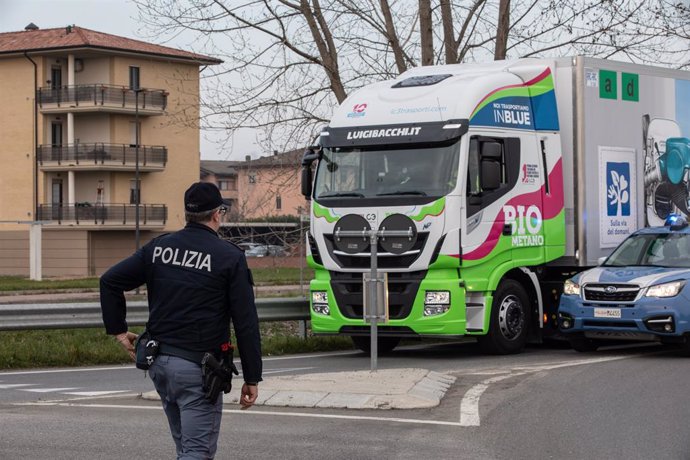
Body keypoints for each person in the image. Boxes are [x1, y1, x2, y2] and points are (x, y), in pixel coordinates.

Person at [100, 181, 262, 459]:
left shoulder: (159, 248)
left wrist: (119, 330)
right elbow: (245, 322)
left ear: (187, 214)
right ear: (217, 214)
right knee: (197, 453)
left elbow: (110, 281)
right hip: (198, 370)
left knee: (186, 449)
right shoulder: (228, 257)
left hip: (160, 365)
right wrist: (252, 377)